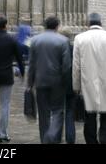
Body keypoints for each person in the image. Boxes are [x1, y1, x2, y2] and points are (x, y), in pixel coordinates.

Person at [73, 12, 106, 144]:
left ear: (88, 24)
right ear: (101, 23)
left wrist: (76, 86)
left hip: (87, 85)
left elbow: (76, 66)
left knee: (89, 117)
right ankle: (104, 141)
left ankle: (92, 142)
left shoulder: (79, 38)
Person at [27, 16, 71, 144]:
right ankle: (52, 134)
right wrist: (66, 82)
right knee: (58, 111)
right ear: (57, 26)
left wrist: (30, 83)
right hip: (58, 82)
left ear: (45, 25)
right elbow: (67, 65)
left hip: (40, 82)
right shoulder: (63, 41)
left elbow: (31, 64)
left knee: (43, 113)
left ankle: (44, 139)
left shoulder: (35, 40)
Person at [59, 26, 76, 144]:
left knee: (58, 112)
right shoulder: (74, 48)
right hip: (71, 85)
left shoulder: (56, 49)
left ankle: (57, 136)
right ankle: (70, 138)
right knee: (70, 113)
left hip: (58, 85)